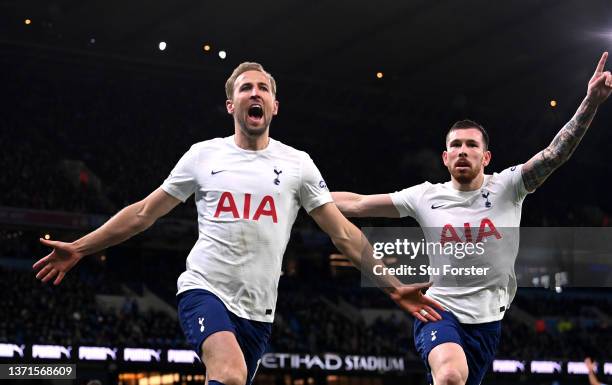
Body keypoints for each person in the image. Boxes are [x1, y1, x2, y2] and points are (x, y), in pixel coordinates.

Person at [32, 62, 443, 385]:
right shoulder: (203, 156)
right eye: (245, 88)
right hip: (204, 290)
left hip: (259, 312)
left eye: (263, 88)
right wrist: (81, 247)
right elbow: (144, 213)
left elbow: (343, 233)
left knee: (230, 378)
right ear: (232, 105)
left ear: (275, 106)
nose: (255, 93)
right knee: (228, 374)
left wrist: (392, 287)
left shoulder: (298, 165)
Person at [332, 53, 612, 385]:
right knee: (450, 376)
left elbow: (554, 154)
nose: (463, 150)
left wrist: (591, 102)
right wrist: (301, 195)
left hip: (488, 323)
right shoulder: (425, 195)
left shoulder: (509, 186)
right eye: (456, 145)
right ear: (445, 157)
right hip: (438, 311)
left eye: (471, 145)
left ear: (486, 156)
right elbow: (359, 203)